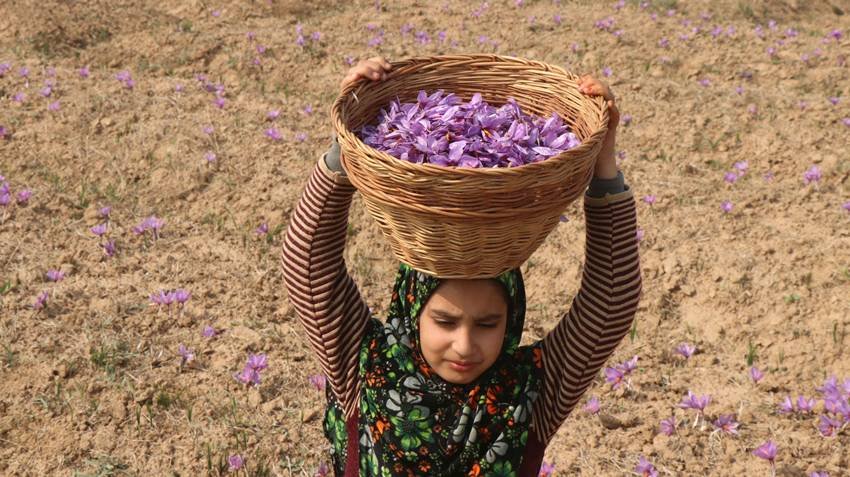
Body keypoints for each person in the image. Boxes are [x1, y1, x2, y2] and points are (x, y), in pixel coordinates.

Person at [282, 56, 642, 476]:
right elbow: (308, 264)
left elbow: (611, 301)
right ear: (413, 313)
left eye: (488, 324)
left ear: (510, 323)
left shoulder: (531, 391)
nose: (466, 346)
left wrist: (604, 161)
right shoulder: (362, 366)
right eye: (445, 322)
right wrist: (347, 149)